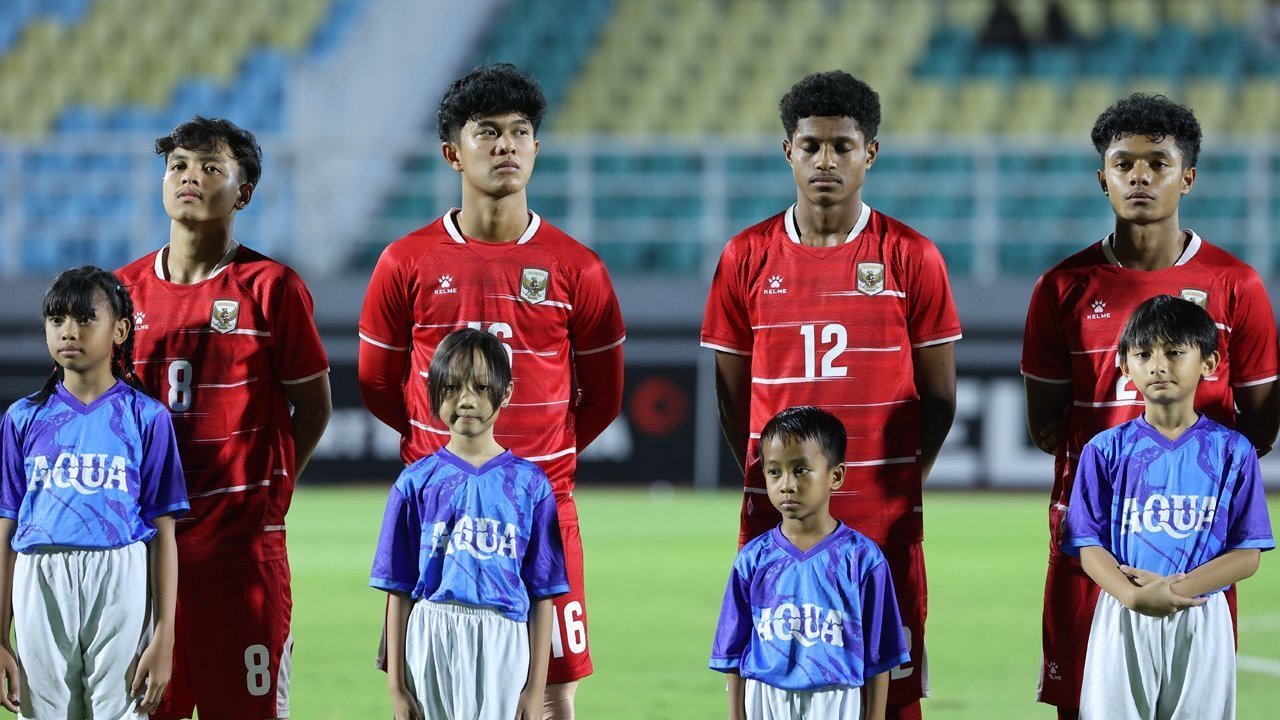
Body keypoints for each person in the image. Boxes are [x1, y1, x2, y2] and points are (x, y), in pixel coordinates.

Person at [359, 63, 625, 716]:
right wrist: (448, 458)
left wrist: (537, 468)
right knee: (429, 689)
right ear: (452, 151)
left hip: (543, 511)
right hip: (439, 516)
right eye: (488, 133)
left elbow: (604, 397)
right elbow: (376, 385)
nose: (506, 146)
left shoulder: (578, 268)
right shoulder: (405, 262)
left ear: (536, 147)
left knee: (554, 697)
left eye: (520, 132)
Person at [701, 70, 959, 720]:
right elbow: (732, 400)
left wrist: (898, 481)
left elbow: (941, 399)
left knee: (891, 699)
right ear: (786, 150)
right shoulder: (745, 257)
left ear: (869, 153)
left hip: (883, 524)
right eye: (810, 145)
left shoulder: (911, 257)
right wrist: (769, 479)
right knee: (773, 687)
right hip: (775, 522)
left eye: (842, 146)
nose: (825, 161)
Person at [1021, 93, 1279, 719]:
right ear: (1102, 176)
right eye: (1123, 163)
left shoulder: (1235, 285)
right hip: (1092, 540)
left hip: (1196, 542)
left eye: (1158, 163)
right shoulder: (1061, 288)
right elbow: (1046, 424)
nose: (1140, 176)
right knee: (1081, 705)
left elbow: (1261, 425)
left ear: (1186, 176)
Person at [116, 117, 332, 720]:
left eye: (211, 168)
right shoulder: (120, 295)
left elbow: (312, 405)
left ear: (243, 192)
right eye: (179, 166)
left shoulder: (273, 288)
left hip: (241, 561)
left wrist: (275, 490)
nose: (190, 177)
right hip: (141, 559)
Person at [1061, 295, 1273, 719]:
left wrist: (1174, 591)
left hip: (1201, 612)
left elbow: (1248, 553)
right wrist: (1133, 597)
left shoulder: (1233, 451)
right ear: (1124, 366)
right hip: (1124, 611)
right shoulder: (1104, 450)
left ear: (1209, 364)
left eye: (1175, 352)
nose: (1158, 365)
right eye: (1143, 354)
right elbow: (1087, 543)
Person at [0, 266, 188, 718]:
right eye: (57, 319)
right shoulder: (22, 419)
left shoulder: (148, 418)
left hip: (121, 573)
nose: (69, 331)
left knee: (120, 711)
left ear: (120, 330)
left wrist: (164, 634)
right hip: (38, 576)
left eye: (85, 319)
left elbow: (164, 533)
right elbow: (6, 529)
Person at [372, 328, 567, 720]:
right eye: (452, 387)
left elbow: (543, 594)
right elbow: (399, 590)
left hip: (503, 637)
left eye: (481, 387)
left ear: (506, 391)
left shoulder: (530, 485)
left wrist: (535, 688)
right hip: (431, 631)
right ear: (433, 391)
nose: (466, 400)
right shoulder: (415, 482)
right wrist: (396, 687)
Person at [710, 406, 909, 720]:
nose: (786, 484)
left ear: (836, 475)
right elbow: (734, 654)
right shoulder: (752, 559)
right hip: (765, 693)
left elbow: (879, 656)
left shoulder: (863, 559)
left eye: (800, 469)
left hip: (835, 695)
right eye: (774, 471)